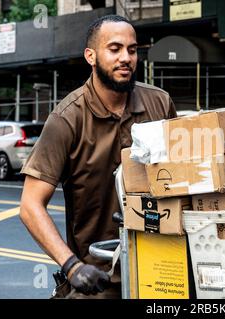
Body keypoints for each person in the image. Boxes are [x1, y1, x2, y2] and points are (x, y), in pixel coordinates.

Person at [19, 15, 177, 299]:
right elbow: (30, 206)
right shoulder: (66, 119)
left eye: (132, 49)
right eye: (114, 49)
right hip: (97, 280)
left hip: (162, 271)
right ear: (91, 56)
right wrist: (72, 267)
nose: (126, 57)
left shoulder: (160, 103)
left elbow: (184, 179)